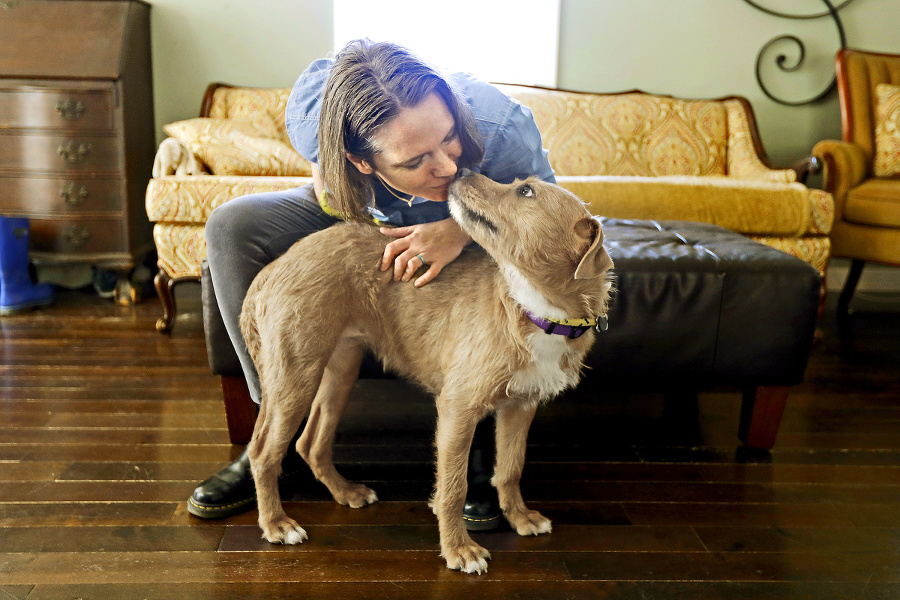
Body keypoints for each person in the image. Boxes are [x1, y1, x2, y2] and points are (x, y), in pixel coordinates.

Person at [187, 39, 555, 531]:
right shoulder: (315, 110)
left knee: (481, 255)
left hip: (462, 212)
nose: (445, 165)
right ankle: (276, 422)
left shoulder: (503, 130)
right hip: (364, 207)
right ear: (358, 157)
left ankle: (484, 436)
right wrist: (340, 189)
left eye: (448, 139)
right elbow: (327, 188)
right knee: (233, 224)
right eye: (417, 158)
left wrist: (457, 230)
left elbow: (545, 223)